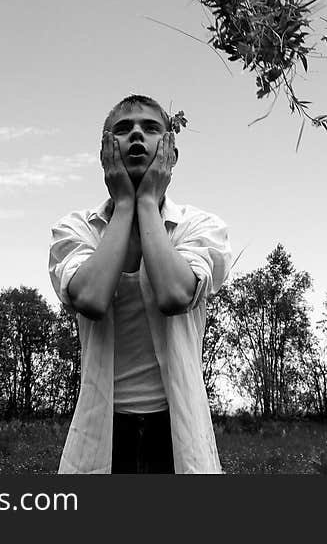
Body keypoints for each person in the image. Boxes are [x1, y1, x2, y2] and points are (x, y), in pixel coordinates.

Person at [48, 95, 232, 474]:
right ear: (105, 152)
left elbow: (175, 294)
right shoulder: (76, 229)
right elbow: (91, 298)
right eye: (123, 129)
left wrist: (146, 201)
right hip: (104, 432)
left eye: (150, 128)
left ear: (170, 153)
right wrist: (125, 206)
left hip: (177, 432)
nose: (136, 135)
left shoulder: (200, 227)